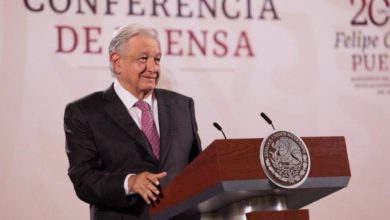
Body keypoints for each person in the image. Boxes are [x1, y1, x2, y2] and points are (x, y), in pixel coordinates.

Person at [64, 23, 202, 220]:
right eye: (143, 59)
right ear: (117, 61)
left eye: (157, 59)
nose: (153, 68)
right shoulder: (85, 112)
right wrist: (129, 183)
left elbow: (197, 168)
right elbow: (84, 179)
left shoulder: (182, 105)